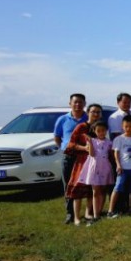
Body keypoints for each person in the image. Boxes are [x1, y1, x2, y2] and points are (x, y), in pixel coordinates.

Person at [64, 104, 103, 226]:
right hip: (82, 162)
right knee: (78, 189)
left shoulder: (101, 128)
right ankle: (76, 217)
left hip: (96, 163)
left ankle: (88, 213)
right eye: (93, 112)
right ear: (88, 112)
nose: (96, 114)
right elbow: (70, 144)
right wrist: (84, 148)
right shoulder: (81, 127)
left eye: (98, 112)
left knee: (92, 189)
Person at [54, 93, 88, 224]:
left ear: (84, 104)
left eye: (80, 102)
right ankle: (70, 213)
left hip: (84, 156)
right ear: (70, 104)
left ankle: (87, 212)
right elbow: (57, 137)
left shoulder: (88, 119)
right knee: (68, 184)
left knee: (85, 184)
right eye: (75, 102)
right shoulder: (62, 119)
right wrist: (64, 148)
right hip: (68, 156)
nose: (78, 105)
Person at [108, 115, 131, 217]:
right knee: (117, 188)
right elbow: (116, 153)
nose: (128, 129)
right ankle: (110, 211)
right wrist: (118, 165)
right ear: (122, 126)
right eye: (126, 126)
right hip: (123, 168)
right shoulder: (119, 139)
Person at [79, 120, 114, 220]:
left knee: (103, 191)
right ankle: (95, 214)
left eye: (103, 130)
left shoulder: (109, 142)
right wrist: (90, 143)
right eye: (99, 131)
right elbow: (92, 154)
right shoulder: (92, 141)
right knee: (95, 191)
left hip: (105, 167)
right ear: (94, 131)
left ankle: (99, 211)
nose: (101, 132)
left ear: (106, 131)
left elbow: (112, 155)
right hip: (94, 167)